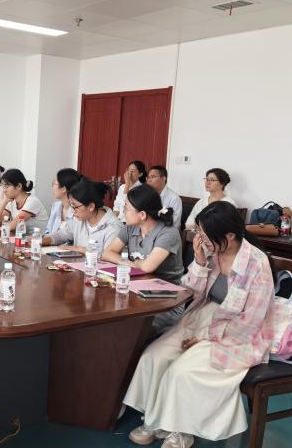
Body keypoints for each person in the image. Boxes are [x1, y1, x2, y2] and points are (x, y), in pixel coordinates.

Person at [124, 201, 274, 448]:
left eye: (205, 234)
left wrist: (206, 337)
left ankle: (181, 429)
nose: (200, 238)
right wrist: (200, 262)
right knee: (154, 356)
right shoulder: (210, 251)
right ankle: (156, 419)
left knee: (182, 371)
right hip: (202, 315)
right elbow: (188, 290)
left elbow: (252, 319)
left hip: (235, 332)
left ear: (230, 235)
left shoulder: (256, 263)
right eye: (200, 232)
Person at [102, 184, 184, 334]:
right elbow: (107, 253)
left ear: (142, 215)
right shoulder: (130, 228)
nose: (123, 211)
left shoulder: (168, 233)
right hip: (136, 292)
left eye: (126, 208)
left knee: (125, 328)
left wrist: (132, 264)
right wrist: (130, 263)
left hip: (165, 301)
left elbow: (147, 267)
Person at [42, 178, 121, 256]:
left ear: (91, 206)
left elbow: (108, 257)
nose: (72, 211)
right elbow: (62, 235)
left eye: (75, 207)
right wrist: (41, 241)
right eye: (71, 206)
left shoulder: (113, 228)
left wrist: (81, 249)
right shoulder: (79, 219)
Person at [44, 168, 81, 236]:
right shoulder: (55, 206)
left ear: (64, 189)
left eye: (54, 183)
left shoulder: (78, 211)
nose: (52, 186)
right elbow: (48, 231)